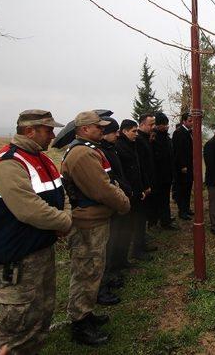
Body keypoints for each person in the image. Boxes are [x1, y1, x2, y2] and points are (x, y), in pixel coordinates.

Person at [0, 110, 71, 354]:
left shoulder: (40, 159)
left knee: (41, 314)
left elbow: (59, 194)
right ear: (29, 131)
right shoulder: (8, 164)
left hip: (41, 250)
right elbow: (29, 210)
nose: (53, 135)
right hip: (18, 259)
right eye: (48, 130)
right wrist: (64, 222)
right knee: (18, 325)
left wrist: (63, 218)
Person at [61, 111, 130, 346]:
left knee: (92, 271)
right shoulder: (82, 154)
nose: (102, 129)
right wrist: (123, 202)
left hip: (95, 221)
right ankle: (80, 325)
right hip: (87, 223)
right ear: (83, 129)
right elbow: (102, 189)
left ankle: (86, 314)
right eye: (97, 126)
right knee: (85, 273)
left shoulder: (88, 149)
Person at [98, 117, 132, 304]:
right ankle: (103, 285)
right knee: (107, 245)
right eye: (114, 131)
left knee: (115, 240)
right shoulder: (100, 151)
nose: (117, 134)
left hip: (120, 196)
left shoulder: (111, 149)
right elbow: (108, 180)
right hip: (110, 204)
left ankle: (112, 274)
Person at [115, 119, 148, 263]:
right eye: (133, 131)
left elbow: (138, 167)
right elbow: (123, 173)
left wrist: (143, 186)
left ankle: (138, 249)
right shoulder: (119, 147)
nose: (136, 134)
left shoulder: (132, 144)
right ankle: (128, 255)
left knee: (140, 221)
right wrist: (131, 191)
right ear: (124, 131)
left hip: (137, 190)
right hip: (129, 192)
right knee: (128, 226)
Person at [134, 114, 157, 256]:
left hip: (149, 181)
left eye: (154, 124)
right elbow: (140, 165)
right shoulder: (138, 140)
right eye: (150, 124)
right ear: (142, 124)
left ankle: (142, 242)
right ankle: (138, 247)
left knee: (144, 216)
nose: (153, 127)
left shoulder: (146, 139)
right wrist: (145, 184)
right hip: (143, 185)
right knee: (140, 217)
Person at [151, 112, 177, 229]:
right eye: (164, 124)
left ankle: (165, 219)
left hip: (167, 174)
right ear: (158, 125)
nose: (166, 126)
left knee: (165, 199)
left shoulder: (166, 137)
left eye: (167, 124)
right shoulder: (154, 138)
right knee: (159, 200)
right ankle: (160, 221)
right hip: (158, 176)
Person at [172, 113, 194, 220]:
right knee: (182, 189)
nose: (192, 123)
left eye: (192, 120)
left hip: (190, 165)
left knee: (188, 188)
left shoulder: (190, 132)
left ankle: (187, 208)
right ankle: (182, 211)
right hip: (183, 167)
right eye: (190, 121)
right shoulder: (179, 133)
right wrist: (182, 166)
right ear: (184, 121)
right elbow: (178, 151)